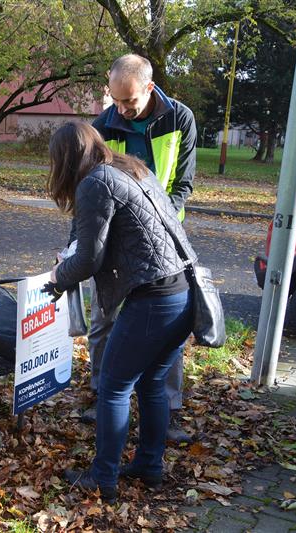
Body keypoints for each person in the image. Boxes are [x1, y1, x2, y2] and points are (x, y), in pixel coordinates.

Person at [43, 121, 196, 502]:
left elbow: (90, 259)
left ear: (65, 158)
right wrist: (71, 257)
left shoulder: (95, 182)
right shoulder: (131, 169)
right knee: (151, 385)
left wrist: (56, 278)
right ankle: (149, 465)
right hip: (184, 292)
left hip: (154, 301)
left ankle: (103, 477)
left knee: (113, 387)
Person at [81, 54, 197, 443]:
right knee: (103, 320)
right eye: (116, 100)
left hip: (163, 242)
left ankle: (169, 409)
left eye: (129, 101)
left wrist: (160, 217)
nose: (123, 109)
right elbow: (90, 193)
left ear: (149, 87)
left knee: (166, 329)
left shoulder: (179, 118)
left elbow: (184, 182)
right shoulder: (104, 125)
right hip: (115, 241)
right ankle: (103, 397)